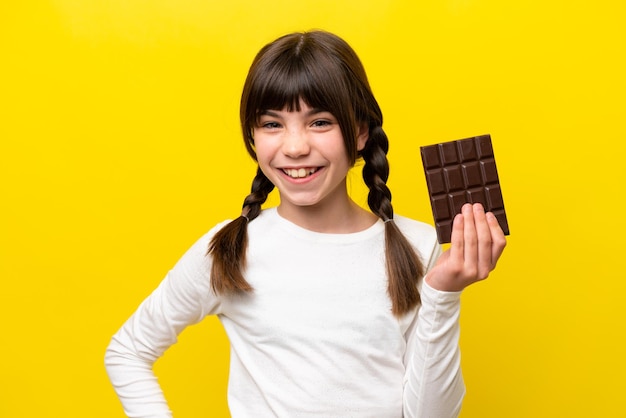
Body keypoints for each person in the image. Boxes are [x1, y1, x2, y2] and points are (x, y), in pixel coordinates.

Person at [105, 30, 506, 418]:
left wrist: (444, 294)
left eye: (320, 123)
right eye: (272, 124)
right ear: (253, 135)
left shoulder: (417, 246)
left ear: (361, 132)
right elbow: (127, 351)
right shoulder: (231, 250)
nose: (295, 147)